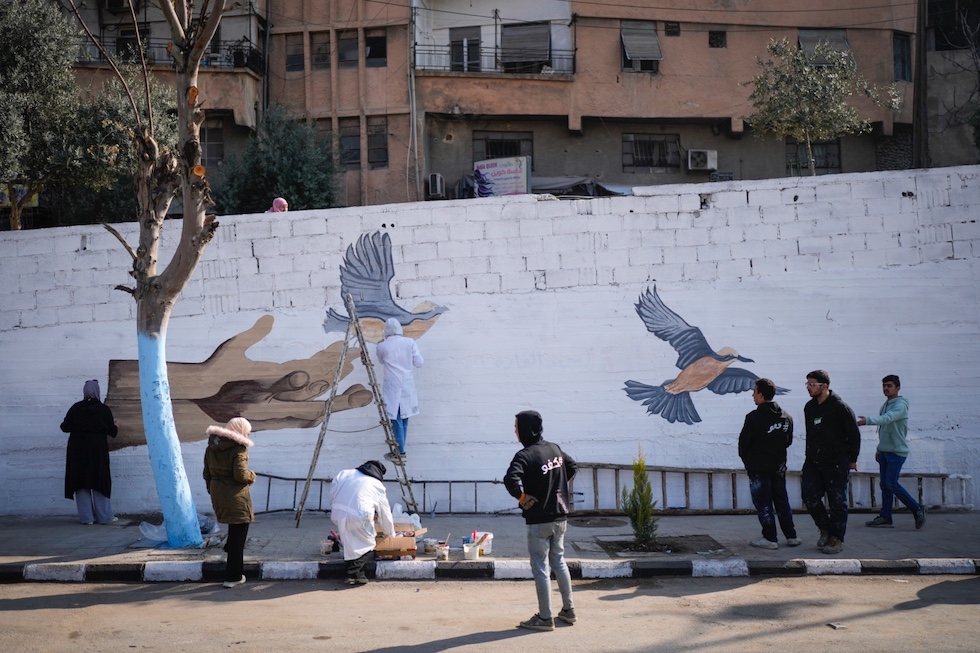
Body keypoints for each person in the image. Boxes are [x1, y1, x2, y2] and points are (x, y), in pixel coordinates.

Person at [504, 410, 577, 632]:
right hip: (559, 517)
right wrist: (556, 487)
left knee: (541, 568)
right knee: (559, 561)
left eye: (516, 426)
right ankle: (568, 610)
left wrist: (523, 497)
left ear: (525, 429)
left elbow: (510, 480)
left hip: (538, 522)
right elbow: (572, 466)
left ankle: (545, 618)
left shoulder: (524, 456)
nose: (515, 431)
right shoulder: (554, 449)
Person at [800, 370, 861, 555]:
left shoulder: (840, 407)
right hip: (813, 461)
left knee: (837, 502)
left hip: (836, 462)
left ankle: (836, 538)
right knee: (809, 495)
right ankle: (825, 529)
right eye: (807, 384)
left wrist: (852, 459)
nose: (809, 388)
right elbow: (810, 435)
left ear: (824, 386)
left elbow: (853, 435)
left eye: (812, 385)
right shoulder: (809, 407)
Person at [738, 378, 800, 549]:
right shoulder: (786, 417)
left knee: (763, 502)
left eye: (754, 391)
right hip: (779, 466)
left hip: (759, 468)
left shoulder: (754, 417)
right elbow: (788, 441)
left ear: (761, 394)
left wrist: (749, 462)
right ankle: (791, 535)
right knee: (782, 501)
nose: (752, 394)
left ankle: (770, 538)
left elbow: (744, 444)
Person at [858, 375, 926, 529]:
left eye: (889, 385)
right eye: (884, 386)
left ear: (898, 388)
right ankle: (886, 517)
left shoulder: (900, 405)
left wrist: (867, 420)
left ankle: (917, 508)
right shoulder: (887, 403)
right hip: (884, 451)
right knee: (884, 485)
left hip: (896, 452)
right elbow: (884, 429)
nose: (886, 389)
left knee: (891, 483)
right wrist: (879, 449)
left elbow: (887, 419)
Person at [203, 417, 256, 588]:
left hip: (218, 491)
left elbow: (206, 473)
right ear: (240, 431)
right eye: (247, 431)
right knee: (239, 534)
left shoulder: (212, 447)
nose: (248, 434)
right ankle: (233, 577)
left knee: (234, 533)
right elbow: (240, 475)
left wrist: (213, 490)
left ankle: (230, 559)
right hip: (235, 495)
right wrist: (252, 476)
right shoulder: (238, 449)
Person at [61, 379, 119, 525]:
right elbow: (112, 431)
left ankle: (87, 518)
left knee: (81, 482)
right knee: (99, 480)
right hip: (97, 450)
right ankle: (104, 517)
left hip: (77, 450)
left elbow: (64, 427)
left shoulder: (75, 408)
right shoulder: (103, 409)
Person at [328, 460, 395, 585]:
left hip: (337, 513)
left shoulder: (344, 473)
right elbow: (385, 513)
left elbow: (332, 493)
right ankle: (351, 573)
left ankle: (358, 574)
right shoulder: (377, 484)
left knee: (349, 542)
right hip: (360, 517)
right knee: (369, 543)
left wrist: (335, 506)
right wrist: (390, 533)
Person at [376, 318, 423, 462]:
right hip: (407, 383)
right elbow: (419, 363)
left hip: (392, 383)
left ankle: (400, 452)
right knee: (404, 417)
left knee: (395, 418)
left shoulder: (382, 346)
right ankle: (400, 450)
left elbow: (381, 361)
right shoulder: (410, 342)